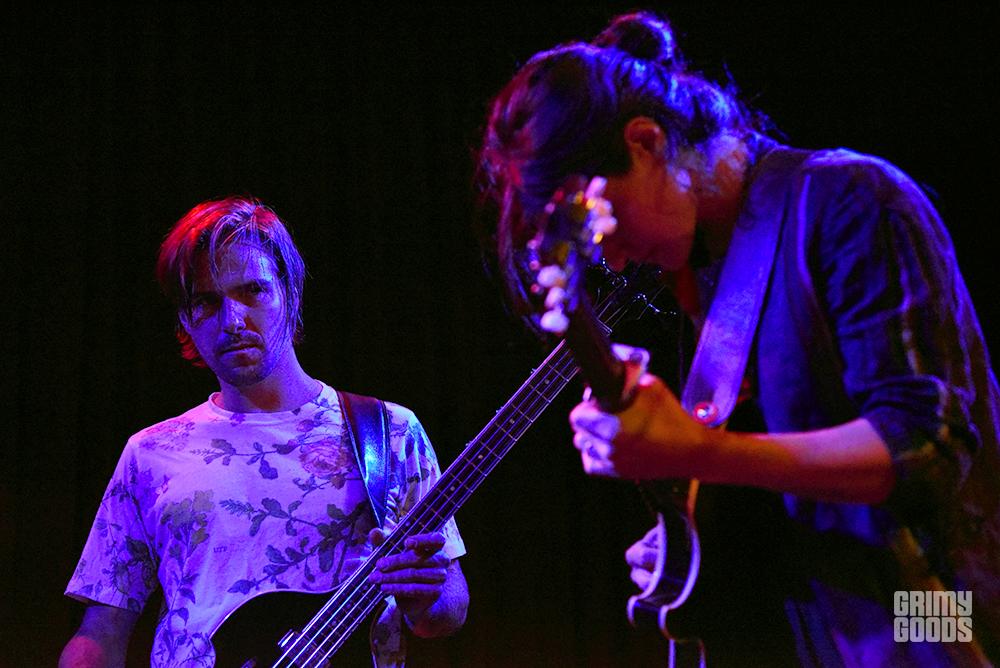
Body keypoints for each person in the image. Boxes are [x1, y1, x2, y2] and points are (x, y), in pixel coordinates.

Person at [478, 11, 999, 667]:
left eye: (602, 221)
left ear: (645, 143)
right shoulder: (702, 272)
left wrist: (703, 452)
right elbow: (784, 481)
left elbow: (922, 449)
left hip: (941, 608)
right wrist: (699, 542)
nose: (610, 257)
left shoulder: (850, 199)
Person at [60, 196, 468, 667]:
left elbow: (448, 609)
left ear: (289, 293)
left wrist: (427, 597)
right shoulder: (149, 453)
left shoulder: (388, 431)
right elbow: (102, 632)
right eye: (206, 302)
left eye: (252, 291)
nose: (232, 321)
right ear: (185, 321)